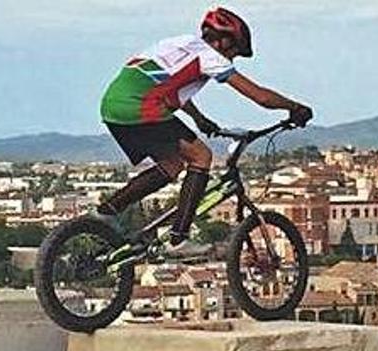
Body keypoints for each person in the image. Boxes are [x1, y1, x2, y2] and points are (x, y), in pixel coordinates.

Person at [98, 6, 312, 255]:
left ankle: (106, 213)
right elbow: (260, 97)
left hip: (113, 107)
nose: (231, 60)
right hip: (141, 107)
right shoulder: (210, 57)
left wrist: (199, 119)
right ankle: (178, 238)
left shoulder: (180, 43)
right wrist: (295, 107)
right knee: (202, 156)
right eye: (234, 52)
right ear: (222, 42)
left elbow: (169, 87)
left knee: (172, 165)